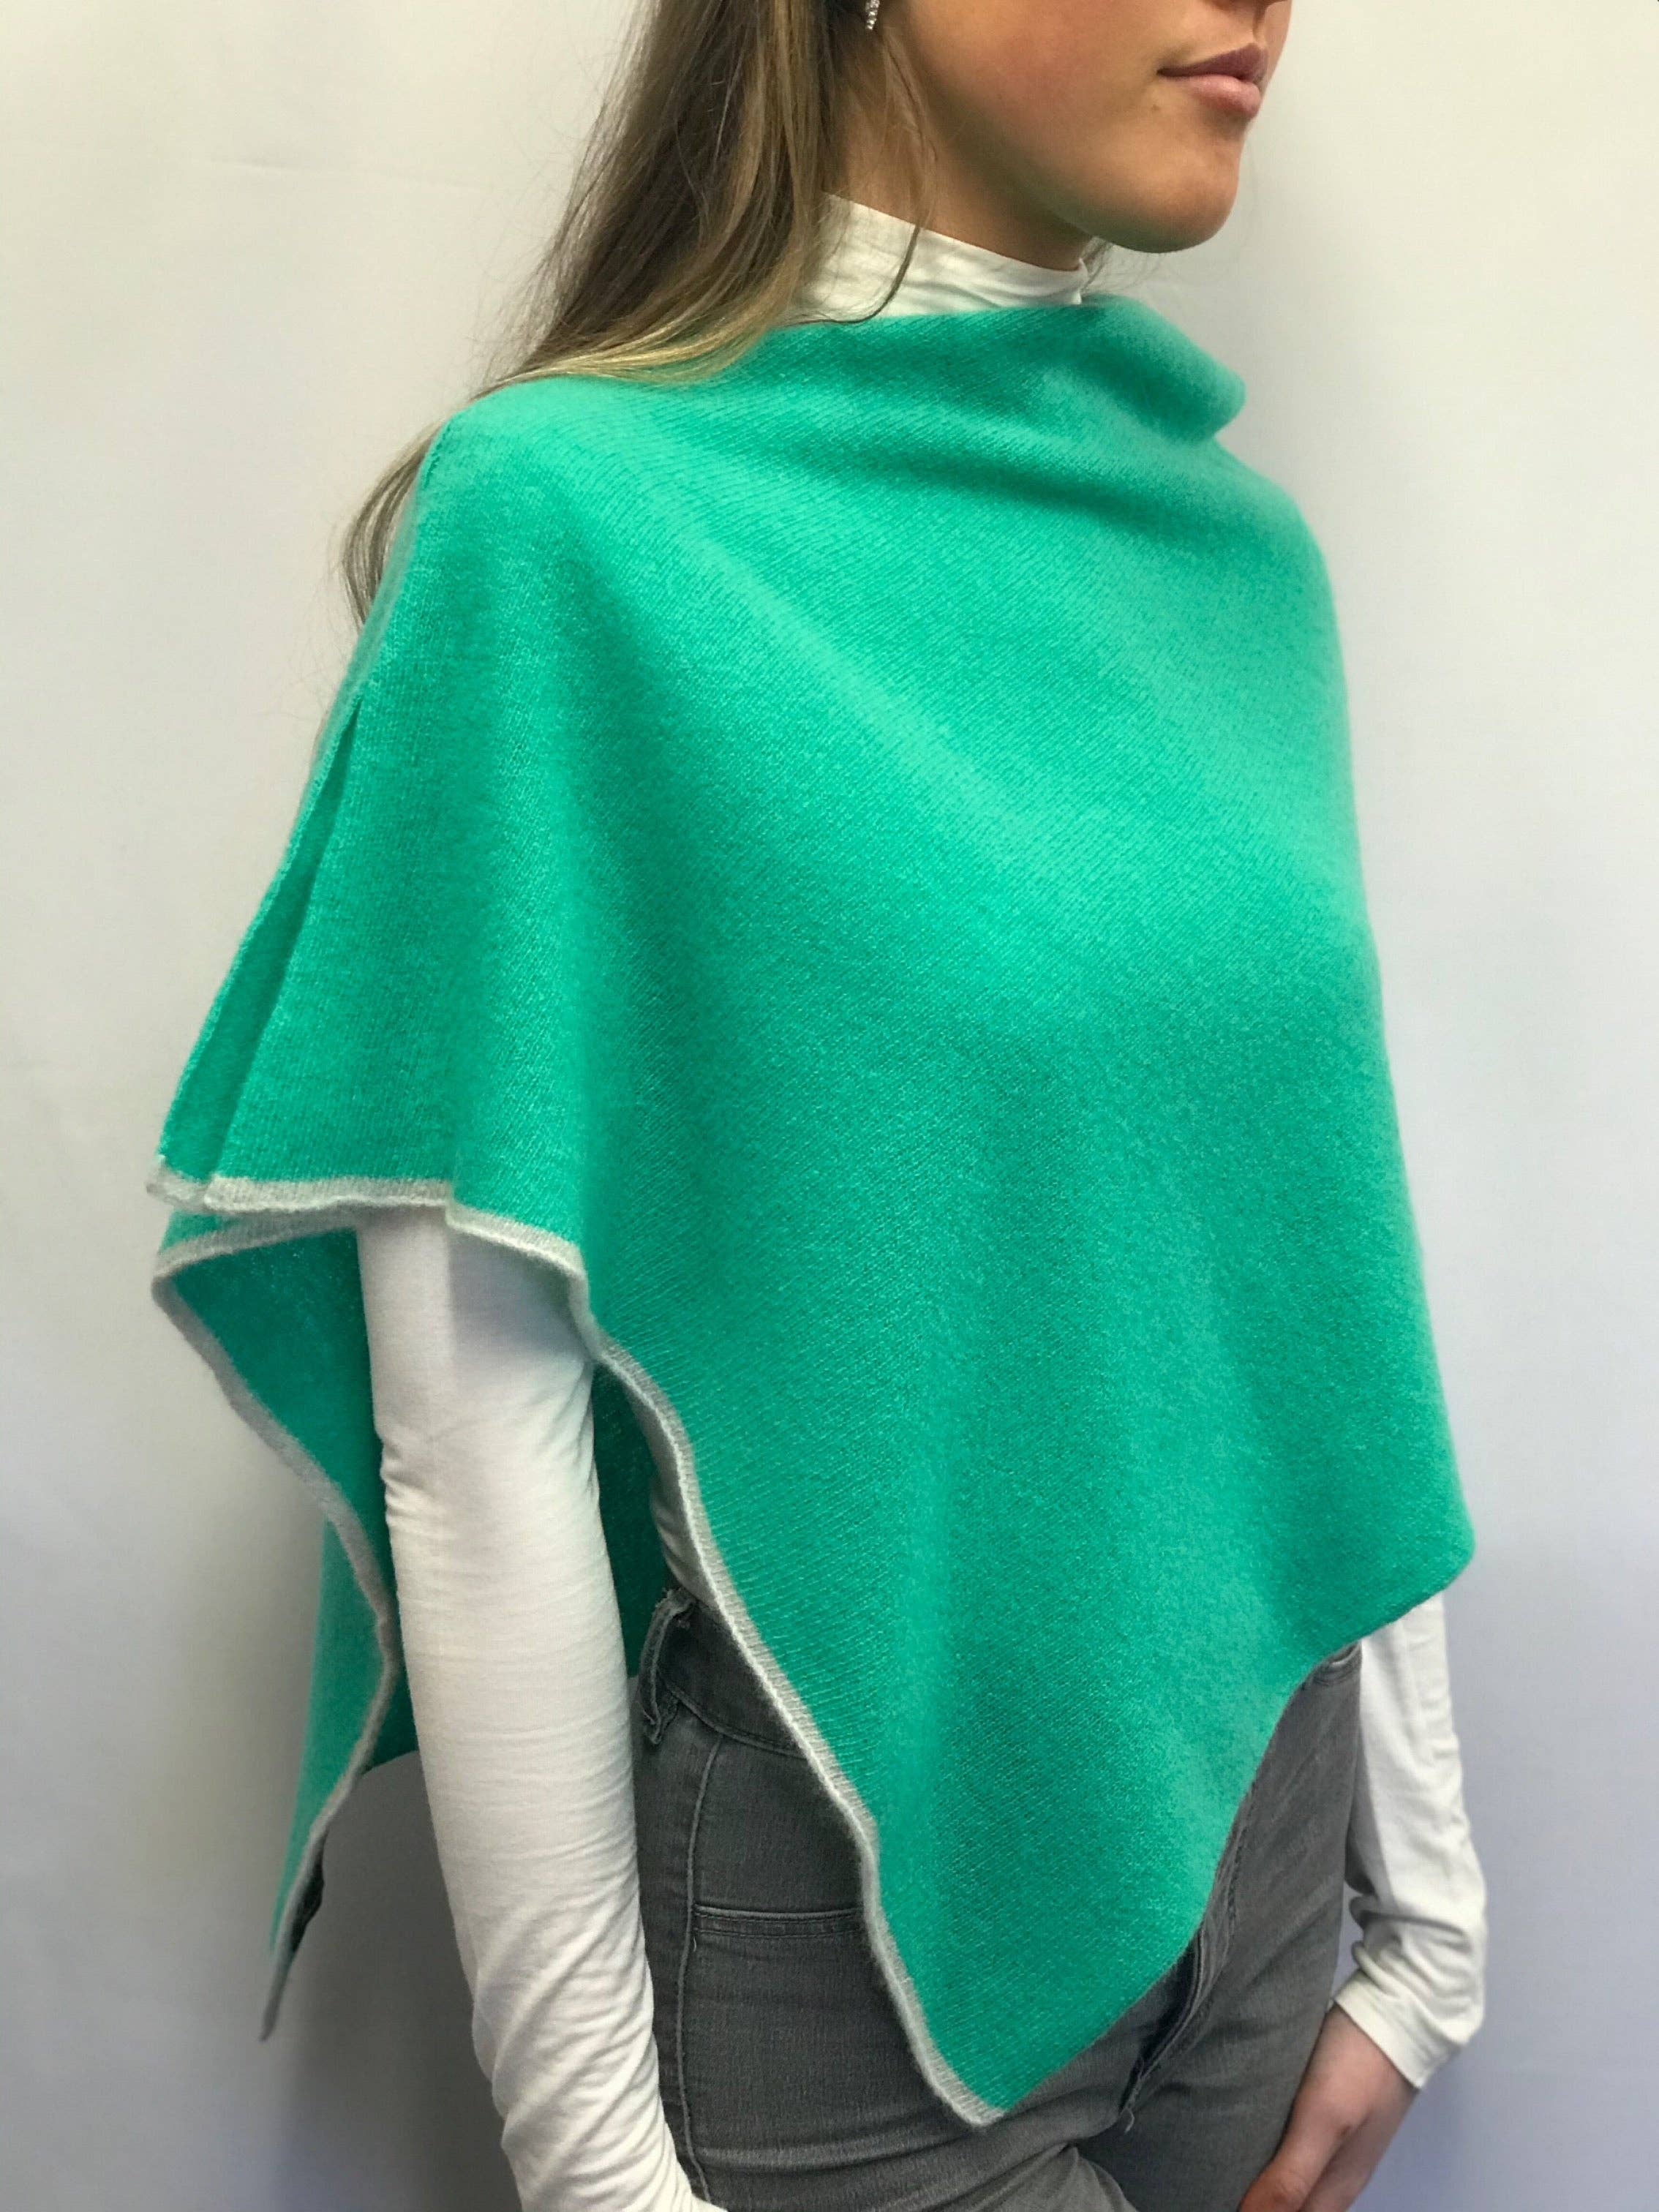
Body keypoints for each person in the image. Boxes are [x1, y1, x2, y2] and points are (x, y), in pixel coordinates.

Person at [148, 4, 1486, 2211]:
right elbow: (474, 1418)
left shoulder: (1233, 560)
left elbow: (1298, 1260)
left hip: (1269, 1837)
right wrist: (598, 2172)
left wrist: (1422, 1915)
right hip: (840, 1891)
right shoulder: (570, 526)